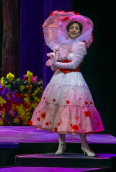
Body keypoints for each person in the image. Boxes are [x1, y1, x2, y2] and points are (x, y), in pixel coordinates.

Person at [31, 11, 104, 157]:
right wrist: (53, 62)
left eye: (77, 28)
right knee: (59, 111)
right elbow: (53, 67)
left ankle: (84, 145)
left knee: (78, 110)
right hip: (58, 80)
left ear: (80, 31)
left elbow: (74, 64)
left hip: (73, 79)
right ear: (68, 29)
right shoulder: (60, 46)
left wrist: (56, 62)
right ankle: (61, 144)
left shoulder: (80, 46)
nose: (74, 30)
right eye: (72, 28)